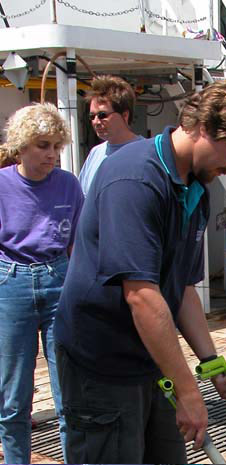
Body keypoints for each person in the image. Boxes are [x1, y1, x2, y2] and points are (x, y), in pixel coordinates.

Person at [54, 79, 226, 463]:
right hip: (101, 362)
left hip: (150, 358)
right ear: (205, 128)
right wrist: (189, 392)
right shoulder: (135, 179)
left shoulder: (195, 188)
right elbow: (141, 295)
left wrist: (211, 363)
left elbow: (182, 286)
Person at [0, 103, 84, 464]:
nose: (51, 154)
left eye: (56, 146)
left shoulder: (68, 184)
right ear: (21, 145)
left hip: (58, 279)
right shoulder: (2, 185)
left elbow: (79, 241)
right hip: (11, 283)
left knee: (68, 392)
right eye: (42, 145)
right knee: (12, 395)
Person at [78, 74, 142, 196]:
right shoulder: (95, 154)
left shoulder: (147, 153)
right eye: (92, 116)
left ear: (125, 115)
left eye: (102, 115)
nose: (96, 122)